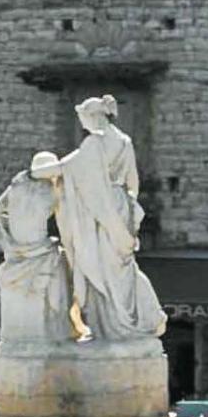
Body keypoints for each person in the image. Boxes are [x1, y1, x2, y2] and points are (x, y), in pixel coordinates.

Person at [33, 95, 167, 341]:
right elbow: (133, 182)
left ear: (93, 116)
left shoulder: (94, 143)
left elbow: (65, 167)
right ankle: (132, 320)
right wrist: (128, 212)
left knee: (98, 267)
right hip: (120, 205)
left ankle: (114, 327)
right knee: (121, 268)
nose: (82, 125)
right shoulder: (124, 141)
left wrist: (36, 171)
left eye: (83, 118)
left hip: (99, 208)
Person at [0, 151, 74, 344]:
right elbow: (68, 226)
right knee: (62, 263)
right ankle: (61, 329)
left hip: (15, 253)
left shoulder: (15, 187)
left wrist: (9, 229)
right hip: (40, 252)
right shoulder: (52, 192)